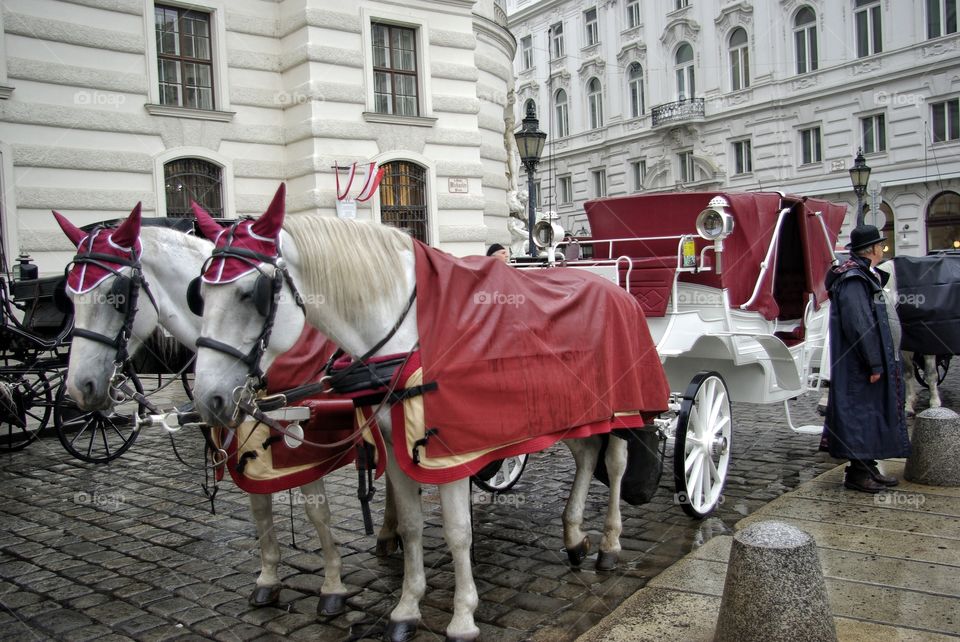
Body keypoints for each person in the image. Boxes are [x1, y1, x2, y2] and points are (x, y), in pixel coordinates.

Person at [822, 224, 911, 493]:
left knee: (871, 414)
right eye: (880, 245)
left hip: (867, 362)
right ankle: (858, 474)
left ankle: (867, 466)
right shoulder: (853, 279)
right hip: (858, 365)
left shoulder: (861, 274)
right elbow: (859, 324)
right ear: (872, 249)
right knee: (861, 415)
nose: (882, 249)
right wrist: (873, 362)